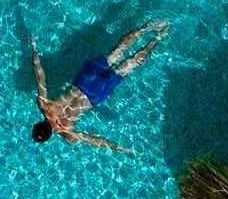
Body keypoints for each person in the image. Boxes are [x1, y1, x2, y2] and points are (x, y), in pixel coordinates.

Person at [30, 21, 170, 151]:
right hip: (83, 80)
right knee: (116, 52)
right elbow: (41, 77)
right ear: (38, 124)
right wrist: (34, 51)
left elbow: (94, 140)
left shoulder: (67, 133)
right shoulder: (44, 105)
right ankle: (145, 29)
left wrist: (120, 148)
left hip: (95, 94)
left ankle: (158, 38)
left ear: (50, 136)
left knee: (128, 66)